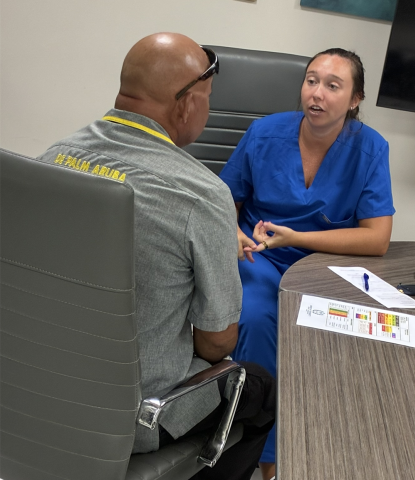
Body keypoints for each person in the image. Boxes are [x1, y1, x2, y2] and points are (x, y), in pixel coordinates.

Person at [35, 33, 275, 480]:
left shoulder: (53, 157)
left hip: (35, 386)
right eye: (208, 98)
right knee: (258, 386)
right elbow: (216, 343)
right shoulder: (202, 196)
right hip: (131, 418)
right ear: (185, 105)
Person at [219, 48, 395, 479]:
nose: (317, 93)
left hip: (324, 265)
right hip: (260, 256)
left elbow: (376, 238)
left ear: (355, 100)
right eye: (311, 81)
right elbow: (221, 199)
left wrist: (299, 238)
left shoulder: (370, 149)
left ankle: (330, 439)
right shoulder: (264, 133)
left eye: (333, 86)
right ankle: (263, 454)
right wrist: (236, 232)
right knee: (260, 317)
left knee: (343, 334)